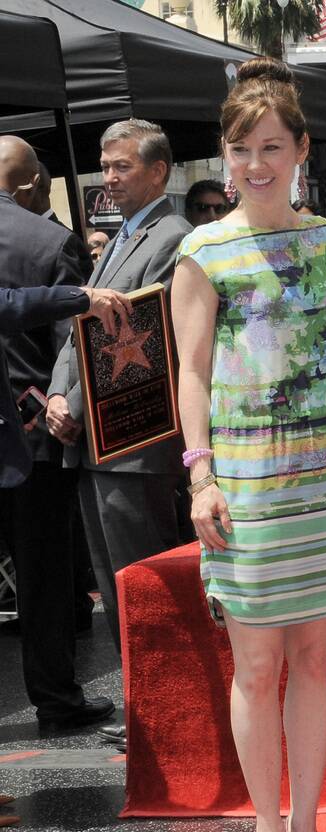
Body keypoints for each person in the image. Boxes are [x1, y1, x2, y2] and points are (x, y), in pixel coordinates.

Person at [174, 58, 326, 832]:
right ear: (225, 154)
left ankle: (312, 831)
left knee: (317, 659)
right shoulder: (201, 251)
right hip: (243, 482)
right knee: (256, 662)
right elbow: (192, 370)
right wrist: (200, 473)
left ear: (301, 150)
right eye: (243, 147)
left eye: (272, 146)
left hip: (323, 476)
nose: (257, 162)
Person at [46, 120, 193, 750]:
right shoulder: (118, 237)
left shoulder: (172, 237)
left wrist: (75, 400)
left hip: (135, 441)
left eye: (121, 167)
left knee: (146, 582)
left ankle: (170, 716)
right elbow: (79, 321)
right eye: (104, 166)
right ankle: (145, 712)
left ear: (158, 171)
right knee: (114, 587)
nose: (107, 179)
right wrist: (58, 391)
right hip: (95, 441)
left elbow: (126, 328)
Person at [0, 136, 121, 735]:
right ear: (31, 185)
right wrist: (63, 403)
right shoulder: (51, 241)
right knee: (45, 576)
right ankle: (55, 698)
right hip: (37, 431)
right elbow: (71, 343)